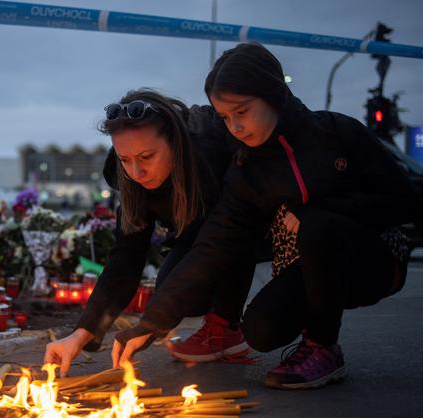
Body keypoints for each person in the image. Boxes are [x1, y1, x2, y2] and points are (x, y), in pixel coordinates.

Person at [112, 42, 423, 389]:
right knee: (260, 331)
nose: (235, 128)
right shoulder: (247, 172)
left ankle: (323, 346)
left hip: (374, 261)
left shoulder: (338, 133)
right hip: (307, 269)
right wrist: (151, 324)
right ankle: (303, 325)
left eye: (242, 112)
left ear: (272, 93)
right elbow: (215, 244)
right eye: (225, 117)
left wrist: (325, 212)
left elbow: (406, 202)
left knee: (316, 226)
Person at [44, 89, 257, 376]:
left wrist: (152, 324)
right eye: (125, 159)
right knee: (171, 288)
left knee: (260, 325)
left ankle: (225, 327)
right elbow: (125, 260)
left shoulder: (211, 153)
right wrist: (82, 332)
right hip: (199, 235)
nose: (136, 172)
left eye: (146, 157)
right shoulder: (132, 180)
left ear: (175, 143)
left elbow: (219, 244)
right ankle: (218, 326)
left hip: (255, 225)